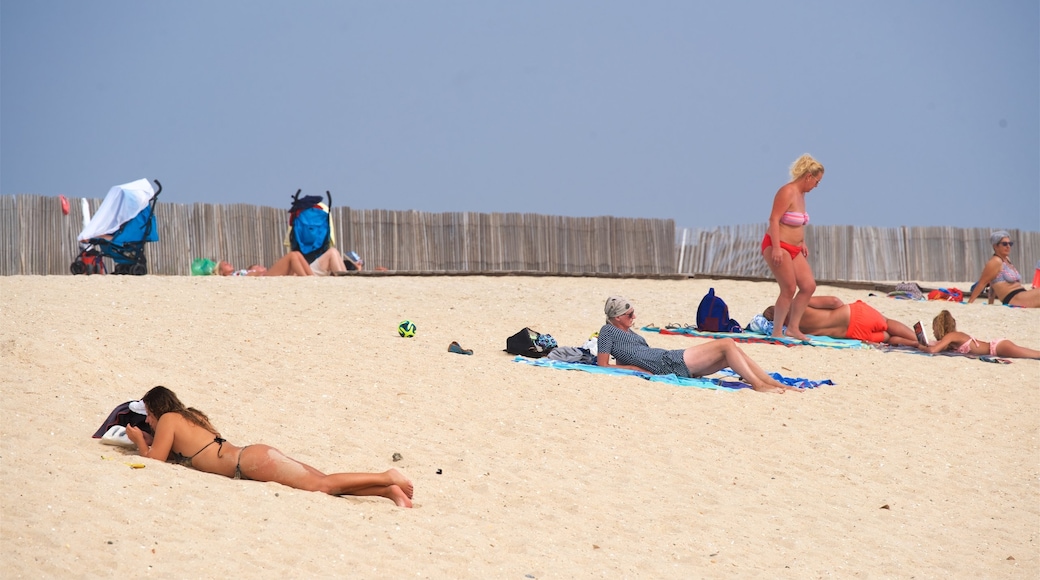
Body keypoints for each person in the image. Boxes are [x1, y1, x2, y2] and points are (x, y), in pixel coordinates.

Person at [125, 386, 414, 507]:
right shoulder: (191, 416)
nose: (148, 422)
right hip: (251, 455)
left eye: (148, 415)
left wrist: (139, 442)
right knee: (324, 483)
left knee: (322, 485)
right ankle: (388, 492)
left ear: (156, 408)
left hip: (249, 464)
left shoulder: (168, 421)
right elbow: (189, 452)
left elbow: (156, 462)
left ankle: (387, 476)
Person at [596, 296, 803, 394]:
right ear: (616, 317)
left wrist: (631, 364)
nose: (634, 317)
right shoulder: (607, 331)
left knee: (731, 351)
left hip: (667, 358)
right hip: (667, 362)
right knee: (727, 344)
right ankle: (758, 385)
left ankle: (773, 383)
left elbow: (629, 355)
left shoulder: (629, 332)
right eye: (629, 314)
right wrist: (632, 368)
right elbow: (603, 365)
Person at [762, 153, 825, 340]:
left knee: (808, 286)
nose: (816, 186)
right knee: (788, 288)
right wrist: (776, 248)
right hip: (778, 244)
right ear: (808, 177)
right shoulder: (787, 191)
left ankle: (793, 328)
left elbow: (796, 223)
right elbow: (774, 219)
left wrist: (802, 242)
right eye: (816, 182)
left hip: (795, 248)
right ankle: (777, 332)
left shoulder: (802, 195)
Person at [763, 296, 919, 346]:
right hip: (853, 315)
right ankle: (919, 339)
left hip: (853, 334)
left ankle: (915, 344)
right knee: (887, 322)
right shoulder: (798, 303)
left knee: (888, 337)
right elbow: (834, 302)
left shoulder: (794, 329)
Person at [920, 310, 1039, 359]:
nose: (933, 332)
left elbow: (933, 350)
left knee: (1034, 355)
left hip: (997, 347)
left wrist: (918, 345)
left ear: (939, 327)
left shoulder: (951, 336)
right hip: (996, 347)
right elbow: (936, 346)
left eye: (933, 329)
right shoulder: (951, 339)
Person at [966, 231, 1039, 308]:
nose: (1008, 246)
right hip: (1014, 299)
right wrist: (969, 303)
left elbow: (993, 284)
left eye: (1010, 244)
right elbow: (982, 283)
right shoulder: (995, 262)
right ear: (995, 246)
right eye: (1004, 244)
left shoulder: (1006, 259)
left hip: (1022, 295)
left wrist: (990, 303)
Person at [217, 251, 314, 277]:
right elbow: (249, 276)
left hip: (264, 275)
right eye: (225, 264)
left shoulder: (236, 273)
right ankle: (307, 278)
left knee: (296, 254)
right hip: (264, 277)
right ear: (222, 272)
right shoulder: (233, 276)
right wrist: (257, 272)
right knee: (292, 255)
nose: (228, 263)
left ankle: (311, 277)